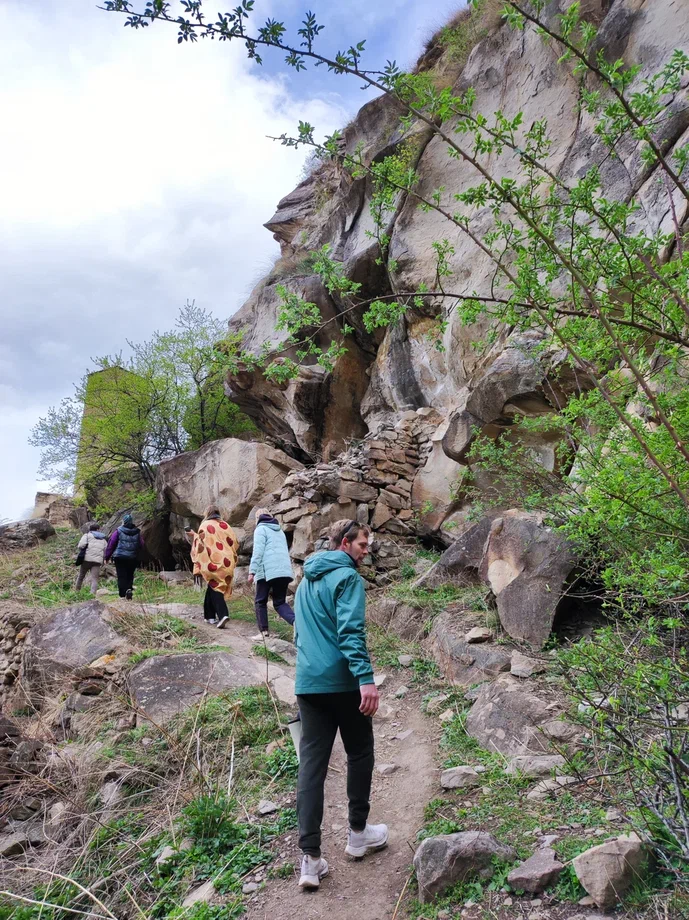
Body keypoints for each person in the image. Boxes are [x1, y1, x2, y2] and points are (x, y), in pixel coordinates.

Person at [293, 519, 387, 891]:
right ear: (345, 543)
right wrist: (365, 678)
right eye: (363, 544)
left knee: (312, 766)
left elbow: (299, 631)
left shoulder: (305, 580)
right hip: (343, 682)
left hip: (308, 683)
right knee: (360, 751)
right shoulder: (348, 578)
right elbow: (350, 631)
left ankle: (311, 860)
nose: (367, 550)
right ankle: (358, 834)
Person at [188, 505, 238, 628]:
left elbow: (200, 543)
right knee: (212, 586)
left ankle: (223, 615)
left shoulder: (205, 525)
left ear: (207, 513)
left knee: (216, 587)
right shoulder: (226, 526)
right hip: (227, 562)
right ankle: (209, 616)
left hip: (213, 562)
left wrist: (194, 535)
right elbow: (235, 543)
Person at [248, 507, 295, 637]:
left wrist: (252, 571)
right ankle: (296, 622)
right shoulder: (279, 531)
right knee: (280, 602)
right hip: (283, 571)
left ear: (257, 518)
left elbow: (258, 552)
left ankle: (264, 633)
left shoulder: (260, 529)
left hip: (267, 571)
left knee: (260, 601)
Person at [105, 513, 144, 600]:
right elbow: (142, 544)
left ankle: (122, 595)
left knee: (121, 575)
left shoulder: (118, 531)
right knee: (130, 575)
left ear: (124, 521)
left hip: (120, 557)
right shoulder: (137, 532)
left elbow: (111, 544)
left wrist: (107, 557)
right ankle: (129, 590)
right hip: (132, 557)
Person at [74, 522, 108, 595]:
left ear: (90, 529)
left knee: (81, 576)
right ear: (98, 529)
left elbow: (81, 545)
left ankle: (76, 592)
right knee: (95, 579)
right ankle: (92, 595)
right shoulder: (103, 539)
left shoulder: (86, 536)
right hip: (97, 561)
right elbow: (106, 550)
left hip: (86, 559)